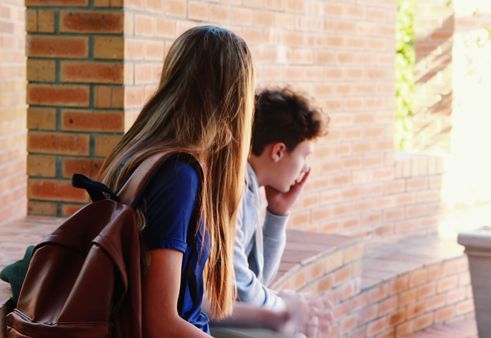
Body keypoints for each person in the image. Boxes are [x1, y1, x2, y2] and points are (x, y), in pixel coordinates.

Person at [98, 26, 297, 338]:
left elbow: (196, 294)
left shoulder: (138, 153)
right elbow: (161, 322)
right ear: (234, 99)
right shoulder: (178, 175)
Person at [229, 88, 333, 333]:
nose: (305, 168)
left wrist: (277, 213)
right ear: (278, 151)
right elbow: (242, 288)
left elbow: (259, 278)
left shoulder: (250, 186)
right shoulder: (234, 190)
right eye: (304, 155)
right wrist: (286, 306)